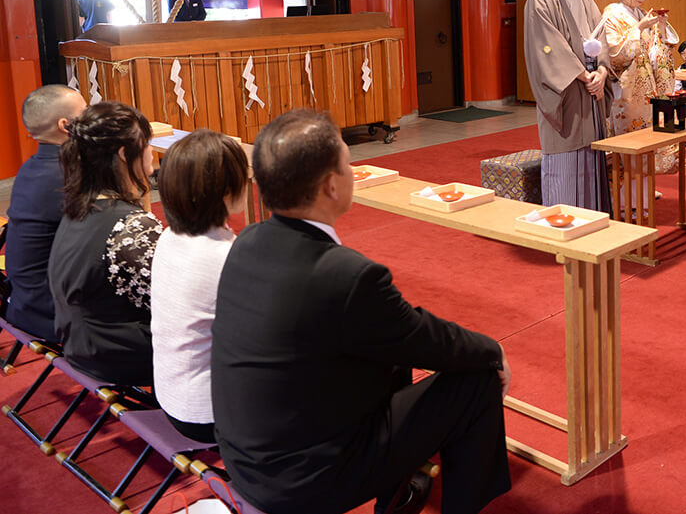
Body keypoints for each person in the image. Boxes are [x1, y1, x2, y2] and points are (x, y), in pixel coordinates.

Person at [211, 109, 511, 514]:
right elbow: (426, 339)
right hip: (306, 479)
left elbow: (402, 335)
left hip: (245, 460)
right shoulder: (345, 274)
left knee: (389, 355)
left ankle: (398, 496)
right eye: (348, 164)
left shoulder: (247, 241)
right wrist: (493, 350)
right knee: (476, 380)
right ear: (331, 185)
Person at [47, 102, 160, 386]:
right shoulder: (133, 225)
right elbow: (172, 302)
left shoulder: (78, 208)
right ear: (124, 154)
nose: (152, 153)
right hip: (122, 356)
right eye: (148, 144)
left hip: (79, 345)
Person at [151, 129, 249, 444]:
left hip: (171, 395)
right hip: (209, 414)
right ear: (226, 191)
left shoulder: (168, 236)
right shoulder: (225, 256)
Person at [523, 0, 614, 212]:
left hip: (590, 87)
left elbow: (601, 35)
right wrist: (583, 75)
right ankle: (563, 224)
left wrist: (601, 72)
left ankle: (594, 222)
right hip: (569, 91)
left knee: (592, 156)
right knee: (566, 160)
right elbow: (547, 47)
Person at [3, 85, 87, 341]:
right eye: (85, 112)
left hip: (22, 300)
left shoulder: (31, 167)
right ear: (65, 125)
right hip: (52, 313)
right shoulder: (68, 177)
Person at [601, 0, 679, 174]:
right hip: (627, 91)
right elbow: (615, 54)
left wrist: (660, 27)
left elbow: (656, 53)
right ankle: (627, 192)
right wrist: (640, 27)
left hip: (647, 88)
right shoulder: (612, 14)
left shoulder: (642, 13)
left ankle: (644, 191)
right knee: (629, 146)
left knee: (647, 144)